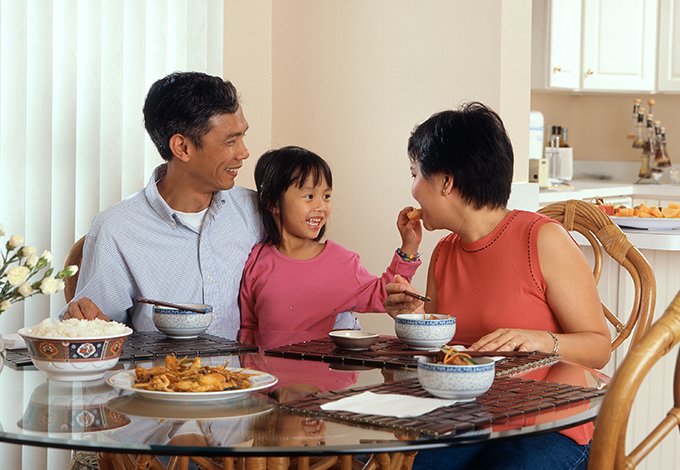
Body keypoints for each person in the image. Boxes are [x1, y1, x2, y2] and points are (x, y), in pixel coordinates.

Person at [382, 102, 611, 470]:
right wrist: (414, 318)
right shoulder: (443, 253)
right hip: (473, 418)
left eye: (415, 174)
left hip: (552, 422)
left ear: (446, 181)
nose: (413, 190)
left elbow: (599, 346)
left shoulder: (543, 239)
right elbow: (447, 352)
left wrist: (540, 340)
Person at [60, 71, 264, 334]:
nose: (244, 153)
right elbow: (93, 330)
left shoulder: (257, 211)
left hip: (247, 376)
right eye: (230, 141)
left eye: (243, 136)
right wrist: (86, 323)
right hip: (160, 374)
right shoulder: (117, 230)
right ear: (182, 148)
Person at [238, 146, 423, 334]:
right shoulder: (257, 259)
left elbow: (385, 294)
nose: (321, 206)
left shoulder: (341, 261)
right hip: (257, 365)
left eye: (326, 196)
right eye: (309, 196)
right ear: (272, 203)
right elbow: (248, 327)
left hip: (320, 364)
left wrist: (409, 246)